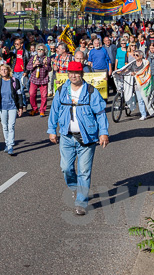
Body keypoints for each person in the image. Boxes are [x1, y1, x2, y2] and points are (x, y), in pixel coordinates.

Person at [47, 61, 110, 216]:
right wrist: (52, 130)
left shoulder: (91, 91)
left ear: (82, 74)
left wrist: (103, 133)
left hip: (86, 138)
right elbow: (54, 111)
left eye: (76, 73)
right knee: (66, 168)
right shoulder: (62, 90)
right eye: (71, 72)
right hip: (66, 137)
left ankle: (81, 202)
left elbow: (100, 113)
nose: (73, 75)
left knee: (84, 171)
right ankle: (75, 187)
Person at [0, 63, 22, 155]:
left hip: (12, 106)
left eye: (5, 69)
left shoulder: (14, 80)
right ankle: (7, 143)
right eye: (2, 70)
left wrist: (20, 107)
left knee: (11, 126)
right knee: (4, 126)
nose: (3, 71)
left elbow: (19, 94)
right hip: (2, 107)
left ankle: (10, 146)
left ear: (8, 71)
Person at [26, 43, 53, 116]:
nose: (40, 51)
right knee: (31, 94)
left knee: (44, 96)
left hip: (43, 79)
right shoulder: (33, 58)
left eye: (42, 49)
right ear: (36, 50)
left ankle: (42, 110)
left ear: (44, 51)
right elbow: (28, 67)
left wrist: (45, 65)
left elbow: (50, 69)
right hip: (34, 79)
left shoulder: (47, 59)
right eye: (39, 49)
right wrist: (34, 64)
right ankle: (34, 109)